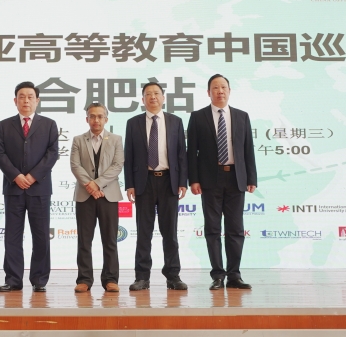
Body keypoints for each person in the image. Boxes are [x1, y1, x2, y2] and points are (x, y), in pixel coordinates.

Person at [187, 74, 257, 291]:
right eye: (215, 88)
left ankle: (234, 275)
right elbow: (192, 152)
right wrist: (193, 179)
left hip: (236, 178)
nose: (220, 91)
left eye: (223, 87)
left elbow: (248, 149)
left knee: (236, 229)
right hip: (210, 179)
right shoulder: (198, 117)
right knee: (212, 229)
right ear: (208, 92)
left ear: (229, 91)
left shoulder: (241, 116)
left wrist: (251, 178)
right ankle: (217, 275)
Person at [0, 81, 59, 292]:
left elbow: (52, 154)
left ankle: (39, 280)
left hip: (39, 188)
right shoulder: (4, 125)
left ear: (37, 100)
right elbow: (0, 154)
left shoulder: (49, 124)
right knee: (12, 236)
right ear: (15, 100)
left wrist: (32, 176)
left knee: (41, 236)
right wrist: (16, 176)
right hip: (13, 188)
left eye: (30, 97)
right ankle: (13, 279)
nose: (26, 100)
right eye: (21, 97)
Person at [123, 82, 188, 291]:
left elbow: (181, 153)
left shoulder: (175, 121)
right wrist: (130, 184)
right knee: (144, 233)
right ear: (142, 99)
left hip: (169, 181)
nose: (153, 97)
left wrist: (182, 181)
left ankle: (173, 276)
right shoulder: (133, 123)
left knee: (170, 233)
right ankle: (142, 277)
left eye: (156, 93)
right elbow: (129, 155)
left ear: (163, 97)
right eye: (148, 94)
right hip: (144, 182)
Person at [70, 103, 124, 293]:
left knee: (110, 240)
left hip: (108, 195)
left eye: (100, 116)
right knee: (85, 241)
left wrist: (98, 184)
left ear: (106, 119)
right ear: (87, 119)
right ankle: (84, 279)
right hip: (85, 196)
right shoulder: (78, 140)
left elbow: (117, 165)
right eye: (92, 116)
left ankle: (111, 279)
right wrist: (91, 186)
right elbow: (75, 166)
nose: (96, 120)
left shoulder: (116, 139)